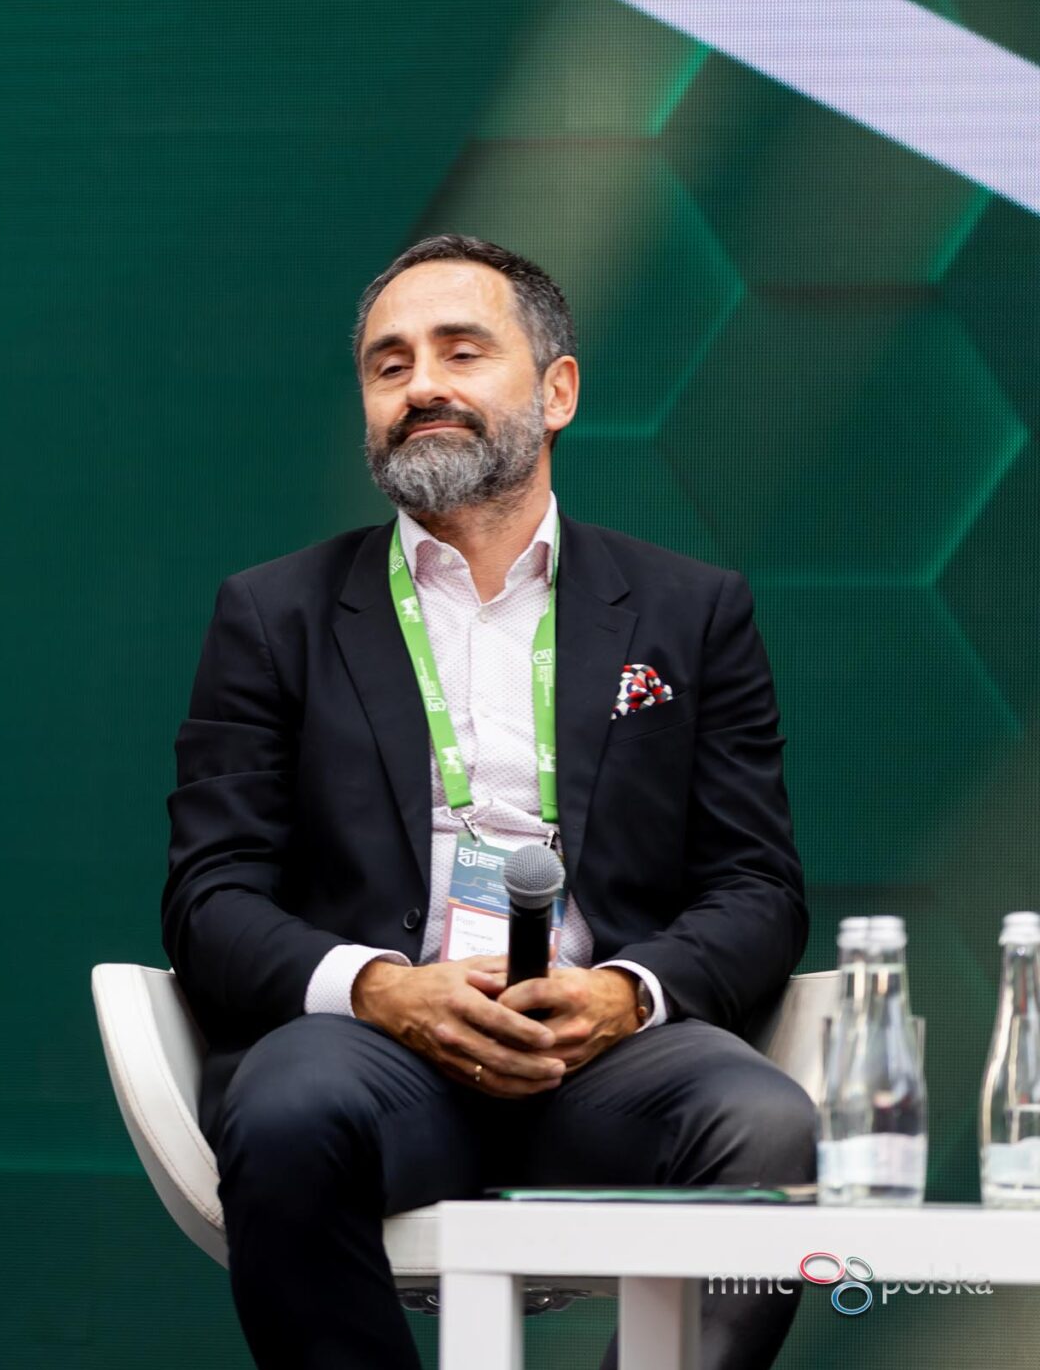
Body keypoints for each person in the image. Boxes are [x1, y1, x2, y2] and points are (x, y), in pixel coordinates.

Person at [162, 234, 811, 1368]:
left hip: (604, 1062)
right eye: (390, 364)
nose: (422, 386)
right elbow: (208, 898)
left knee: (767, 1125)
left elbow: (757, 886)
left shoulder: (688, 611)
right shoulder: (273, 615)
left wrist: (623, 995)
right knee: (283, 1110)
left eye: (461, 352)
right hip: (373, 1058)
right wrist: (382, 989)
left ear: (557, 391)